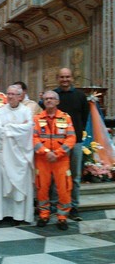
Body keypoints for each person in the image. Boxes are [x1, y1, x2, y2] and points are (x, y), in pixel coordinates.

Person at [0, 85, 34, 225]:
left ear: (20, 96)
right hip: (3, 154)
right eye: (8, 94)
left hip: (20, 155)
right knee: (1, 183)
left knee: (18, 187)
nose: (10, 96)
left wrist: (8, 127)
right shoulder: (0, 111)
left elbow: (28, 129)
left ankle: (18, 215)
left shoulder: (26, 111)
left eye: (13, 94)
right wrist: (16, 127)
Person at [34, 90, 76, 230]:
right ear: (43, 101)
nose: (49, 101)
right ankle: (44, 214)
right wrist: (45, 152)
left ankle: (62, 217)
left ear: (57, 101)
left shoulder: (65, 118)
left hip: (61, 160)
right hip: (43, 160)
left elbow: (71, 138)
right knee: (42, 188)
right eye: (46, 99)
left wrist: (57, 153)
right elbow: (34, 139)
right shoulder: (37, 118)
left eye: (52, 98)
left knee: (64, 188)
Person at [53, 68, 89, 221]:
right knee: (56, 175)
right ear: (58, 79)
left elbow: (85, 116)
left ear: (72, 78)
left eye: (67, 77)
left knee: (75, 176)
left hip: (76, 142)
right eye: (62, 77)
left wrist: (77, 133)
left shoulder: (80, 96)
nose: (65, 80)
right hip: (57, 142)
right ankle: (55, 205)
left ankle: (74, 207)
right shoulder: (53, 96)